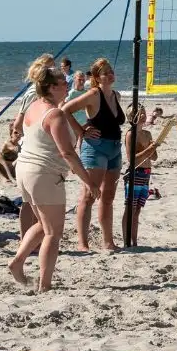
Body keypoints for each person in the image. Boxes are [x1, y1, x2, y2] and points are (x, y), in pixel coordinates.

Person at [9, 63, 92, 292]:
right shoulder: (53, 113)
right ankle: (44, 285)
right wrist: (88, 181)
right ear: (51, 87)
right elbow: (67, 152)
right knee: (53, 233)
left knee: (43, 224)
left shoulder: (35, 105)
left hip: (25, 170)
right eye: (63, 83)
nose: (67, 86)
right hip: (42, 173)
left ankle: (17, 262)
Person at [64, 57, 124, 251]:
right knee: (89, 195)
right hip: (95, 148)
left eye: (111, 71)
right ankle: (83, 244)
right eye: (106, 72)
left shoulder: (116, 95)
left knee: (108, 197)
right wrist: (81, 131)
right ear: (97, 77)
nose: (111, 75)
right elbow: (66, 110)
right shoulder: (93, 94)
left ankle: (108, 242)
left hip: (114, 148)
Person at [123, 107, 158, 246]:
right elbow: (132, 159)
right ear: (131, 117)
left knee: (137, 210)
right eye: (138, 113)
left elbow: (154, 157)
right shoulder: (130, 134)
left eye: (144, 112)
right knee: (130, 208)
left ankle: (135, 241)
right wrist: (149, 149)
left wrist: (153, 147)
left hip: (146, 172)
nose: (143, 115)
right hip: (135, 172)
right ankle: (127, 242)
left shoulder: (147, 133)